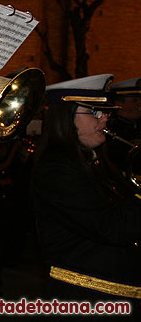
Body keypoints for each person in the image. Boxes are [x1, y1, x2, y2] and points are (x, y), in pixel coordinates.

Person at [31, 74, 141, 315]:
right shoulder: (56, 170)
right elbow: (112, 226)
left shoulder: (95, 162)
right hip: (84, 301)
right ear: (65, 117)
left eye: (105, 112)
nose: (104, 119)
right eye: (93, 112)